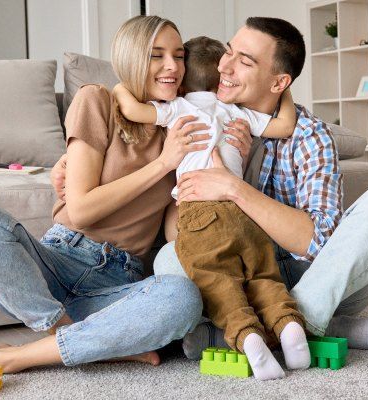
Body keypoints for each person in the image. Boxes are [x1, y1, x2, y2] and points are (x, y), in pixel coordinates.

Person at [51, 17, 368, 360]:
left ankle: (292, 321)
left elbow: (316, 243)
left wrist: (234, 188)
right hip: (236, 275)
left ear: (278, 83)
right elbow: (176, 226)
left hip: (315, 279)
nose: (224, 67)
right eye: (228, 52)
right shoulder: (195, 119)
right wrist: (71, 159)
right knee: (168, 259)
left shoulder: (308, 136)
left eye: (244, 62)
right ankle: (301, 330)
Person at [0, 15, 209, 378]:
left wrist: (197, 186)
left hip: (118, 280)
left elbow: (171, 234)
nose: (172, 67)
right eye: (157, 55)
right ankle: (82, 339)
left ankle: (18, 356)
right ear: (132, 58)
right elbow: (83, 210)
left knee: (180, 297)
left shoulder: (183, 126)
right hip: (57, 261)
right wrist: (163, 162)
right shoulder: (98, 100)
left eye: (179, 56)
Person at [111, 36, 307, 380]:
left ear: (183, 83)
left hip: (200, 209)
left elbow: (132, 110)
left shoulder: (179, 109)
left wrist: (118, 88)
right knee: (261, 274)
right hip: (244, 206)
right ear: (222, 81)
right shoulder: (238, 114)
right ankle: (289, 326)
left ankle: (246, 336)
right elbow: (285, 125)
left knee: (217, 280)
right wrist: (284, 91)